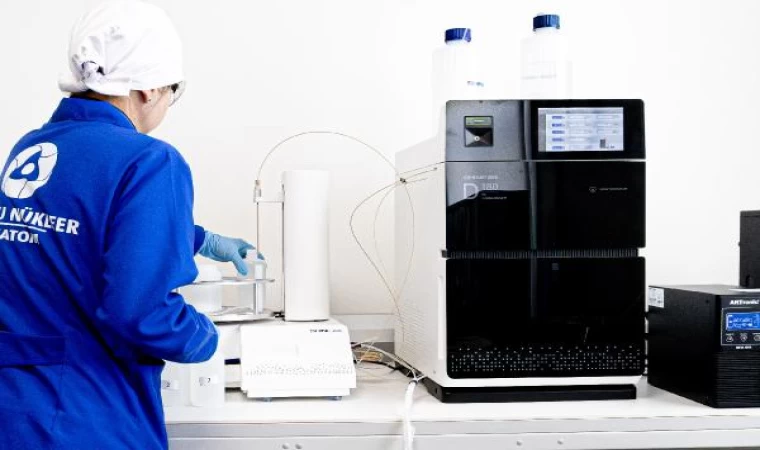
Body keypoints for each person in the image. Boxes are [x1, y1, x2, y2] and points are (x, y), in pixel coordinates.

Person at [0, 2, 255, 448]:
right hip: (88, 417)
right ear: (150, 89)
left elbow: (71, 229)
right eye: (173, 90)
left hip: (15, 410)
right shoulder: (150, 160)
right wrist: (208, 337)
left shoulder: (33, 147)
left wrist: (199, 238)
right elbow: (141, 313)